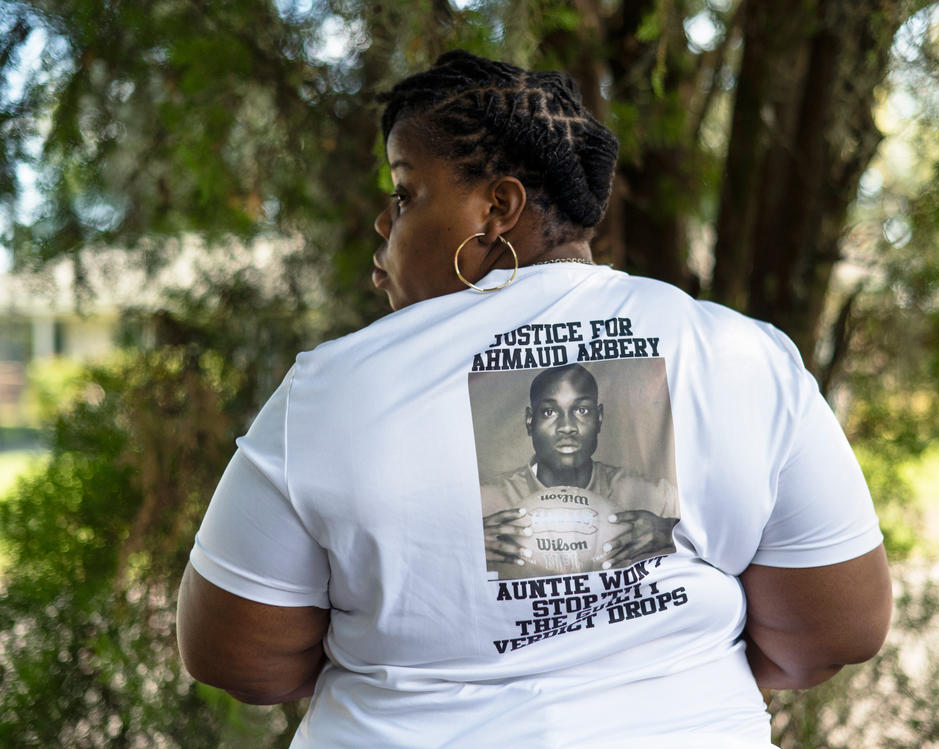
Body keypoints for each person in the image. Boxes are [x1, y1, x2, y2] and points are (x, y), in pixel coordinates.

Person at [177, 50, 892, 748]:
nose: (383, 224)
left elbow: (236, 655)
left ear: (497, 208)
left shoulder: (329, 392)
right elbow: (834, 632)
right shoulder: (739, 355)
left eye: (405, 195)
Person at [480, 363, 679, 577]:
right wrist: (466, 542)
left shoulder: (646, 494)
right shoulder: (487, 501)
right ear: (530, 421)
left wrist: (668, 530)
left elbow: (712, 532)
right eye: (549, 412)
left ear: (599, 418)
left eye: (582, 410)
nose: (567, 427)